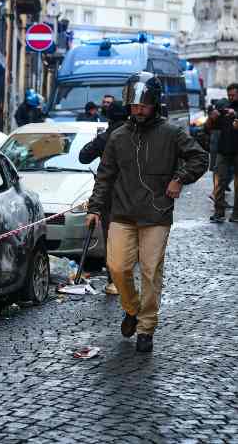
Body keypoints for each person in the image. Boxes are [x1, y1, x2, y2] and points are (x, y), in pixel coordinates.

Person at [85, 75, 207, 353]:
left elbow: (200, 157)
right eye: (134, 105)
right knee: (117, 268)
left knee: (151, 272)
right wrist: (94, 208)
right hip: (123, 214)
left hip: (157, 214)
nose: (138, 110)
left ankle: (146, 327)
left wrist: (180, 178)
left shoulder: (172, 133)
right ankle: (132, 308)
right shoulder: (117, 137)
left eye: (144, 105)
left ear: (154, 104)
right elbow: (104, 177)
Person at [78, 100, 129, 295]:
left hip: (110, 195)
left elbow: (83, 156)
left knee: (111, 237)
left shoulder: (106, 137)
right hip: (132, 194)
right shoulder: (134, 135)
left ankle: (114, 280)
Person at [205, 83, 238, 222]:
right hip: (223, 150)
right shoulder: (223, 106)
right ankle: (219, 212)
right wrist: (212, 118)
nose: (231, 97)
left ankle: (236, 214)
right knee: (219, 182)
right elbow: (209, 128)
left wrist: (236, 115)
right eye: (229, 95)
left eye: (234, 95)